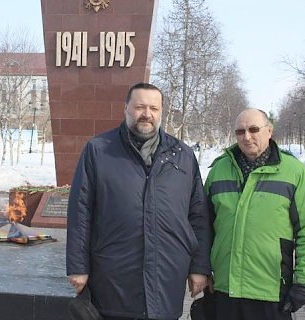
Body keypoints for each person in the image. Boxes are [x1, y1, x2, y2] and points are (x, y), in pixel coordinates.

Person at [66, 82, 211, 320]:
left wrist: (199, 267)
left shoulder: (183, 155)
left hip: (168, 274)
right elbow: (80, 211)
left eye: (154, 108)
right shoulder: (99, 150)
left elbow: (198, 216)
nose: (147, 114)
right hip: (114, 276)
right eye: (140, 107)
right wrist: (78, 266)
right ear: (126, 109)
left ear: (161, 112)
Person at [204, 108, 305, 320]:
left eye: (254, 129)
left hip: (270, 290)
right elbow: (204, 226)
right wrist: (202, 270)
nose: (246, 136)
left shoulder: (295, 173)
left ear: (269, 131)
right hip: (225, 288)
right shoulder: (218, 171)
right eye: (240, 131)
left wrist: (303, 281)